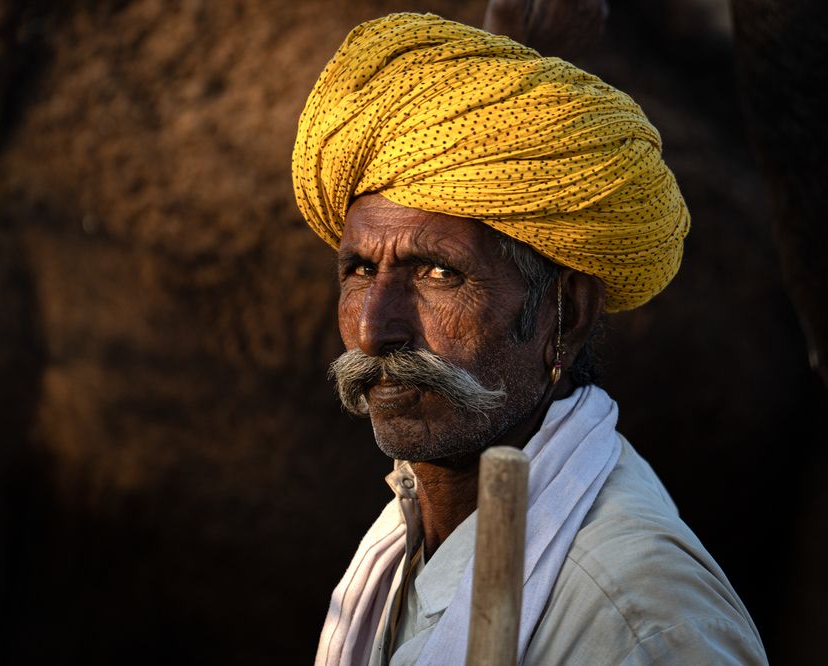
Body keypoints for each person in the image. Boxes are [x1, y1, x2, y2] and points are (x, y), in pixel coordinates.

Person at [291, 13, 767, 666]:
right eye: (360, 270)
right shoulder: (404, 540)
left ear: (566, 315)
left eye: (438, 273)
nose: (375, 329)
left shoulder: (641, 616)